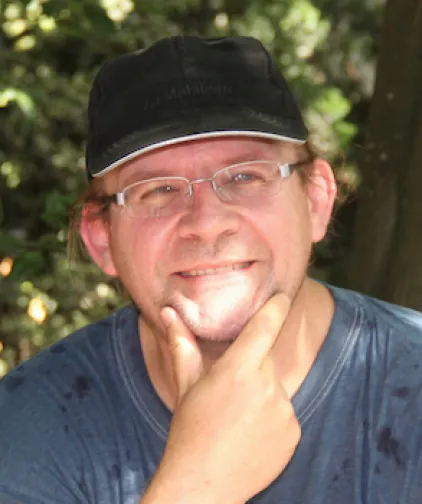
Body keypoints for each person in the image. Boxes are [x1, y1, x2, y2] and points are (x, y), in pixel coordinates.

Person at [1, 35, 422, 504]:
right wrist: (195, 488)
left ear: (316, 200)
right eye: (157, 190)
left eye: (246, 176)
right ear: (102, 239)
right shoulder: (25, 432)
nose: (206, 223)